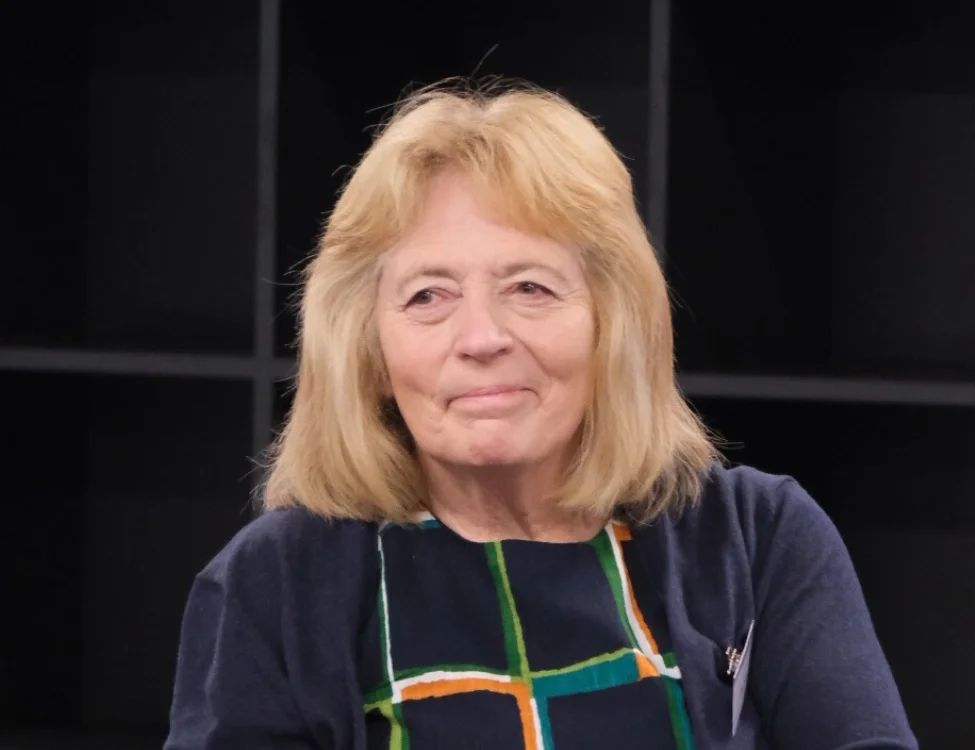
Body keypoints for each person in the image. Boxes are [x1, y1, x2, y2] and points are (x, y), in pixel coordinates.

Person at [163, 79, 917, 750]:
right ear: (368, 350)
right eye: (429, 296)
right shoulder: (275, 583)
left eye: (530, 287)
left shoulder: (759, 539)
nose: (483, 339)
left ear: (611, 324)